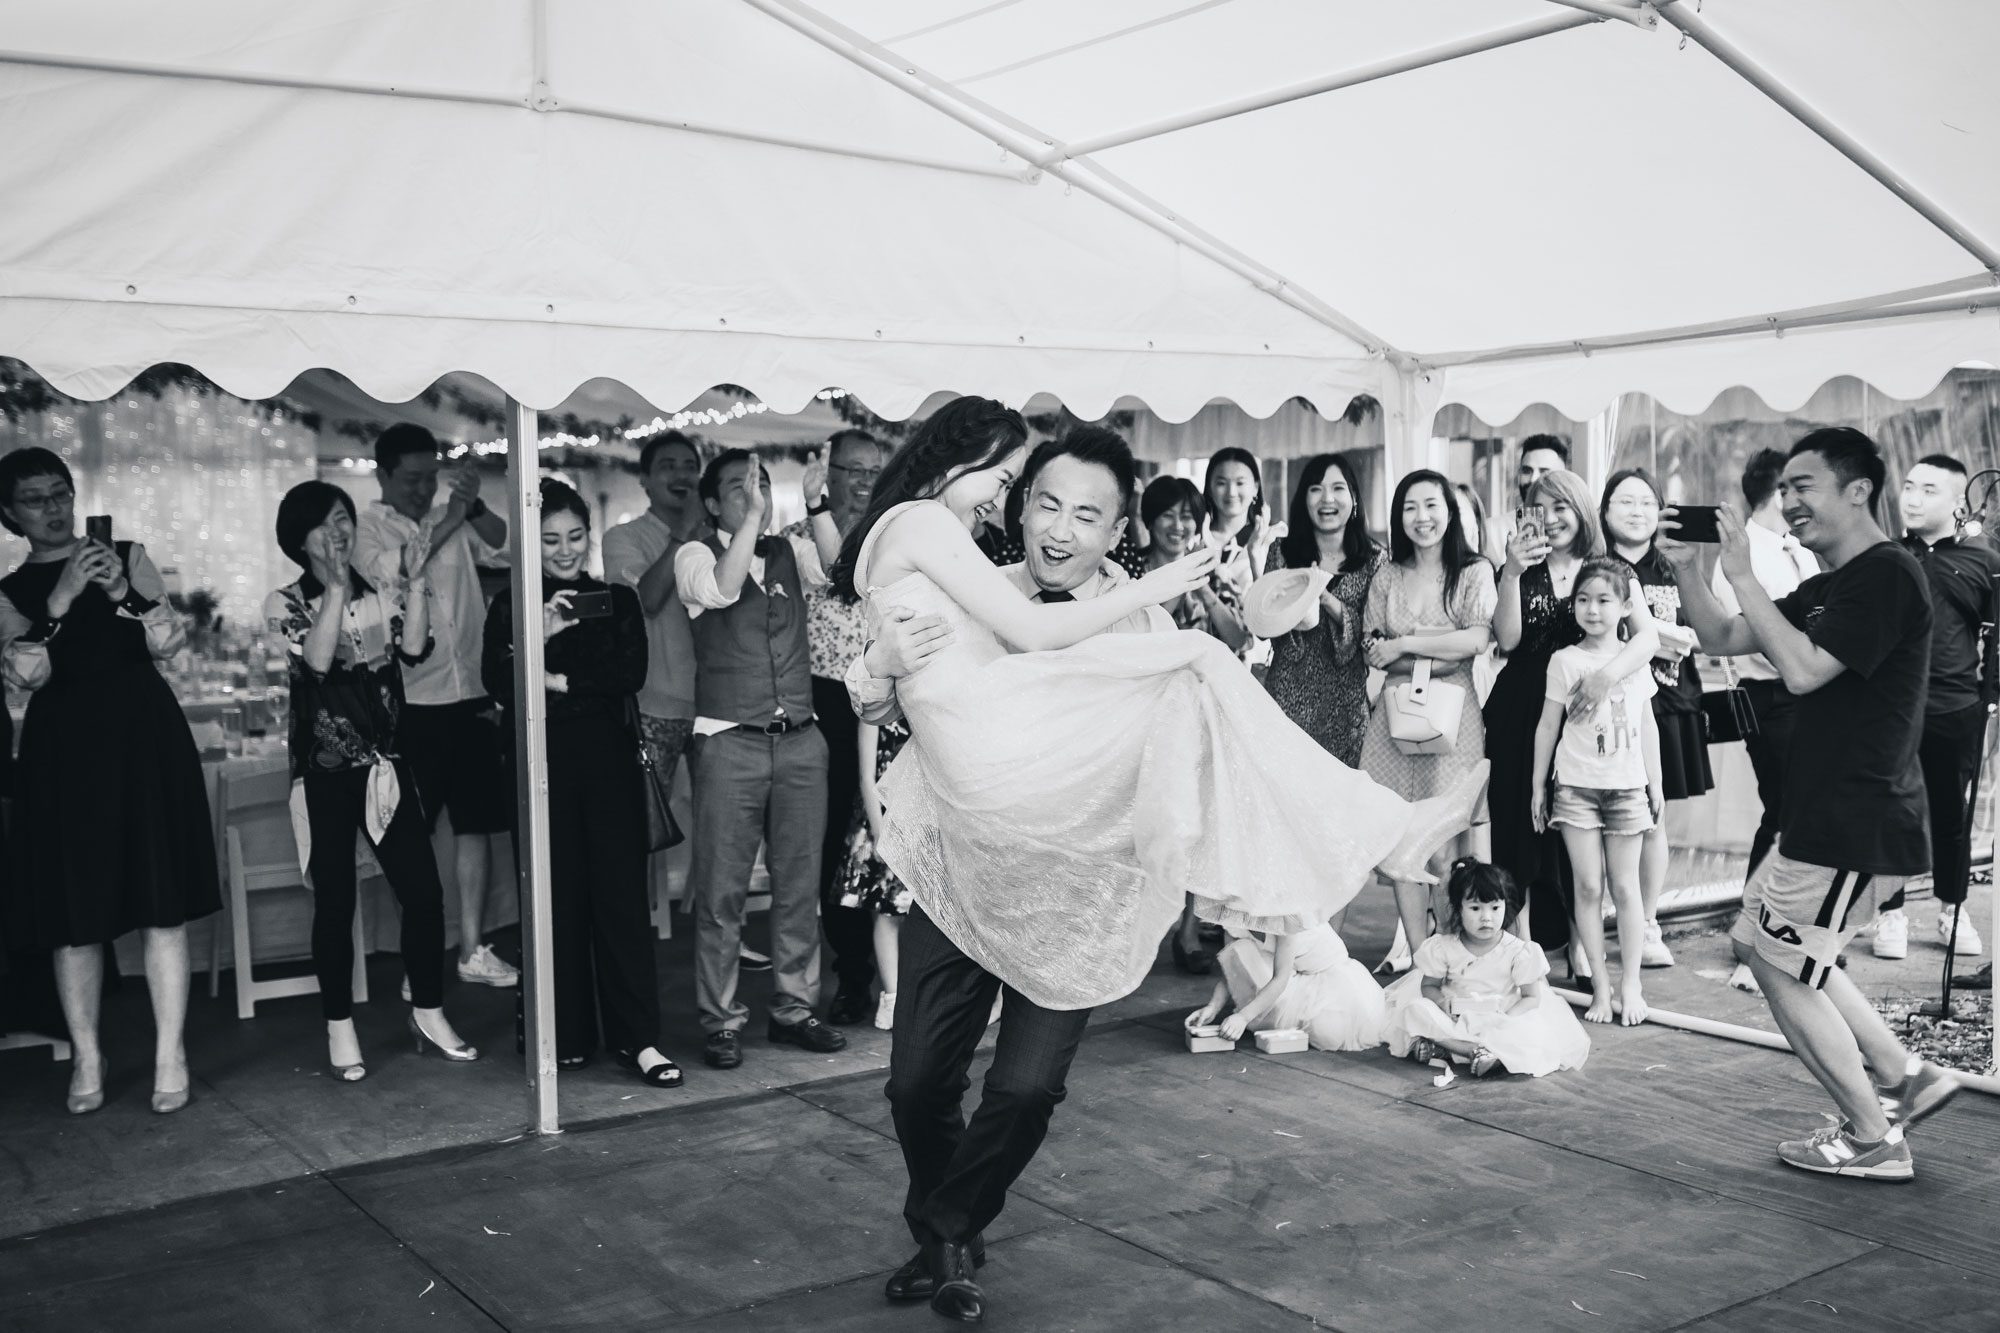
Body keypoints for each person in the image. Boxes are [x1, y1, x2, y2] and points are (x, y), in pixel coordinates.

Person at [835, 403, 1484, 1321]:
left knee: (1025, 1090)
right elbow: (895, 682)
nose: (1058, 528)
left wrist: (1191, 861)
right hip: (964, 865)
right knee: (915, 1084)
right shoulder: (979, 576)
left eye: (1086, 515)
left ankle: (946, 1226)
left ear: (1118, 529)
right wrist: (876, 665)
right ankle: (947, 1223)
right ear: (1019, 502)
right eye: (1043, 503)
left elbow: (1180, 767)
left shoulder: (1140, 629)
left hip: (1078, 889)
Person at [1664, 427, 1961, 1180]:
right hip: (1819, 808)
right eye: (1784, 489)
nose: (1788, 501)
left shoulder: (1887, 573)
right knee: (1762, 944)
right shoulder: (1833, 581)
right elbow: (1726, 633)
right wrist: (1694, 571)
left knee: (1780, 962)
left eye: (1804, 486)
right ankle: (1905, 1076)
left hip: (1854, 811)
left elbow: (1799, 670)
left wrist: (1744, 571)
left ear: (1858, 489)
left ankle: (1873, 1136)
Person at [0, 448, 219, 1115]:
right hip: (63, 752)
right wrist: (62, 599)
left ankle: (168, 1052)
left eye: (61, 492)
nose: (55, 506)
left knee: (161, 901)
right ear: (11, 515)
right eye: (36, 498)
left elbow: (171, 642)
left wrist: (124, 592)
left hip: (144, 738)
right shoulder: (10, 593)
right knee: (75, 914)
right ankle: (88, 1054)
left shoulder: (127, 552)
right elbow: (25, 675)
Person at [266, 481, 478, 1081]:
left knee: (424, 894)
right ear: (298, 539)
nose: (339, 533)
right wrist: (335, 588)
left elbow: (413, 651)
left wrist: (412, 580)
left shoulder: (379, 592)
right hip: (326, 771)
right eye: (325, 525)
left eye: (344, 521)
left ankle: (429, 1012)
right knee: (335, 903)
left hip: (387, 765)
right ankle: (339, 1026)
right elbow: (316, 661)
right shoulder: (282, 603)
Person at [484, 480, 678, 1087]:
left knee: (621, 904)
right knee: (553, 902)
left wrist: (554, 677)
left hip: (609, 767)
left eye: (573, 537)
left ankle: (639, 1040)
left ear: (588, 536)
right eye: (549, 540)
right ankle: (561, 1034)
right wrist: (538, 639)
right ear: (529, 541)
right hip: (539, 770)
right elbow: (498, 680)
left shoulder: (614, 599)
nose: (564, 551)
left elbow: (628, 673)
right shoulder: (511, 605)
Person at [675, 448, 847, 1070]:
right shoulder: (693, 556)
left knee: (800, 886)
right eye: (739, 487)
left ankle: (795, 1009)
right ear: (714, 503)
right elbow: (721, 590)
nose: (754, 492)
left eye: (762, 484)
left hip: (801, 738)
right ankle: (721, 1019)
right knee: (722, 893)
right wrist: (752, 519)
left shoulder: (790, 552)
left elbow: (842, 573)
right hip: (729, 741)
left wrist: (817, 504)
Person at [352, 424, 518, 994]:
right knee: (412, 836)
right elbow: (397, 569)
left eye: (431, 477)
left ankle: (472, 947)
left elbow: (507, 546)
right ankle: (416, 958)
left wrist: (473, 510)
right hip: (411, 700)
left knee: (475, 825)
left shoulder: (453, 516)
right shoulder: (367, 529)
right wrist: (451, 513)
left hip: (470, 690)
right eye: (412, 479)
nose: (424, 490)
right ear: (383, 475)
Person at [1486, 469, 1657, 969]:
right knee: (1520, 828)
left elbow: (1645, 638)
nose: (1554, 518)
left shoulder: (1606, 568)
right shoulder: (1520, 567)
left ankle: (1583, 945)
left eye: (1563, 506)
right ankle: (1521, 946)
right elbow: (1509, 641)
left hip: (1586, 715)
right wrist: (1512, 573)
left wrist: (1606, 676)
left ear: (1581, 509)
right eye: (1543, 507)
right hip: (1521, 711)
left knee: (1579, 837)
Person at [778, 428, 894, 1026]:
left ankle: (877, 974)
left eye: (877, 468)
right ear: (830, 471)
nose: (868, 480)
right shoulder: (795, 542)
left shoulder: (889, 539)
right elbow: (832, 572)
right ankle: (845, 974)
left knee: (875, 839)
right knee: (826, 845)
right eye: (856, 469)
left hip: (883, 700)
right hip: (821, 698)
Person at [1359, 469, 1496, 968]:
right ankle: (1420, 959)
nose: (1423, 517)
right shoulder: (1388, 574)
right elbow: (1372, 651)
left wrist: (1406, 644)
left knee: (1442, 850)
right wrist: (1433, 652)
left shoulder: (1474, 571)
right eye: (1411, 507)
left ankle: (1451, 958)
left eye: (1432, 505)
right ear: (1399, 517)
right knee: (1401, 848)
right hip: (1393, 719)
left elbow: (1477, 642)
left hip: (1454, 718)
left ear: (1450, 511)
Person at [1530, 558, 1663, 1025]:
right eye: (1583, 599)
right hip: (1575, 787)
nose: (1593, 609)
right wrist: (1537, 786)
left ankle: (1632, 984)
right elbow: (1548, 726)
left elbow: (1648, 724)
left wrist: (1656, 783)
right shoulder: (1564, 661)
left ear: (1626, 606)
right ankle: (1601, 990)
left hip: (1626, 788)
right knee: (1587, 886)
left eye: (1605, 600)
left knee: (1625, 888)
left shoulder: (1633, 659)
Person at [1875, 453, 1994, 960]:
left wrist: (1989, 699)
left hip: (1955, 708)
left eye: (1929, 490)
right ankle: (1889, 913)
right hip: (1889, 710)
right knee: (1890, 811)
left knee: (1951, 814)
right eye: (1908, 486)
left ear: (1955, 501)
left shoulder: (1984, 559)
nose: (1914, 498)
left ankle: (1952, 907)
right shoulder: (1883, 557)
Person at [1602, 468, 1712, 968]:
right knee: (1601, 817)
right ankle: (1606, 913)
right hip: (1605, 710)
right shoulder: (1593, 567)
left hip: (1667, 705)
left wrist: (1660, 636)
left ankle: (1648, 923)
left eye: (1647, 502)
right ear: (1604, 511)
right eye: (1625, 501)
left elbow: (1701, 631)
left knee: (1653, 815)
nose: (1637, 511)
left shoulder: (1675, 564)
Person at [600, 430, 706, 917]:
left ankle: (710, 925)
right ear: (645, 479)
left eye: (689, 465)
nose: (681, 475)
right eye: (668, 466)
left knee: (721, 826)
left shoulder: (716, 534)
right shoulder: (623, 537)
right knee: (640, 828)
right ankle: (635, 925)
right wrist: (684, 533)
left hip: (715, 708)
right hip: (654, 705)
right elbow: (646, 598)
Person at [1711, 449, 1818, 878]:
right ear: (1779, 493)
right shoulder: (1742, 554)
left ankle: (1779, 917)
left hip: (1808, 694)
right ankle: (1755, 914)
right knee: (1783, 808)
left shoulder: (1799, 548)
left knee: (1801, 808)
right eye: (1798, 488)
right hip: (1770, 696)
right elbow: (1751, 635)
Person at [1383, 859, 1590, 1078]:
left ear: (1505, 906)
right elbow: (1429, 986)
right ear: (1457, 909)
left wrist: (1506, 1017)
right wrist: (1442, 1003)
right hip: (1458, 1015)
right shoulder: (1444, 947)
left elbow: (1531, 997)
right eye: (1475, 908)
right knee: (1415, 1010)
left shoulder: (1518, 951)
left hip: (1500, 1018)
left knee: (1530, 1033)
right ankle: (1473, 1051)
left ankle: (1449, 1048)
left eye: (1494, 908)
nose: (1486, 917)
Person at [1264, 454, 1386, 767]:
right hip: (1287, 697)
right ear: (1303, 498)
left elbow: (1377, 632)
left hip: (1346, 707)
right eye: (1316, 489)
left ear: (1354, 498)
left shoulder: (1375, 559)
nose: (1327, 498)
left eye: (1338, 488)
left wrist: (1329, 602)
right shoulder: (1282, 551)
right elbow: (1264, 624)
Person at [1186, 921, 1386, 1052]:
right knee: (1239, 948)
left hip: (1330, 980)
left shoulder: (1286, 916)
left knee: (1328, 1031)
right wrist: (1213, 1006)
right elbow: (1232, 966)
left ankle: (1267, 1014)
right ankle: (1269, 1013)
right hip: (1294, 976)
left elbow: (1279, 979)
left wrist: (1243, 1016)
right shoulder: (1234, 917)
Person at [835, 717, 914, 1031]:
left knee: (924, 912)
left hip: (924, 819)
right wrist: (881, 835)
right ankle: (892, 999)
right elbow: (867, 777)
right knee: (886, 912)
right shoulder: (875, 711)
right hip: (882, 818)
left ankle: (922, 998)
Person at [1139, 476, 1248, 649]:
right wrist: (1188, 575)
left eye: (1186, 517)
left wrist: (1203, 587)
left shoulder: (1217, 573)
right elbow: (1141, 640)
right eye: (1168, 515)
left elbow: (1241, 641)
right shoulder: (1134, 572)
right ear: (1151, 520)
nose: (1178, 525)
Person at [1516, 434, 1570, 506]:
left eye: (1544, 471)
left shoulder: (1574, 516)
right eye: (1527, 471)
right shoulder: (1506, 517)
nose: (1533, 479)